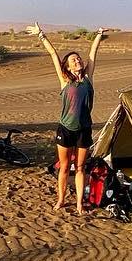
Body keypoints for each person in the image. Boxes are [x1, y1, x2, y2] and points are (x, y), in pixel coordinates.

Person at [27, 24, 105, 214]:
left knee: (80, 167)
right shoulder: (64, 80)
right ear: (68, 65)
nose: (77, 60)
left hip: (84, 129)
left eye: (78, 58)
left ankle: (78, 203)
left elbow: (93, 55)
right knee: (64, 167)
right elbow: (53, 55)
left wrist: (99, 35)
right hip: (65, 129)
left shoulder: (88, 78)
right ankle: (61, 200)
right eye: (73, 59)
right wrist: (41, 35)